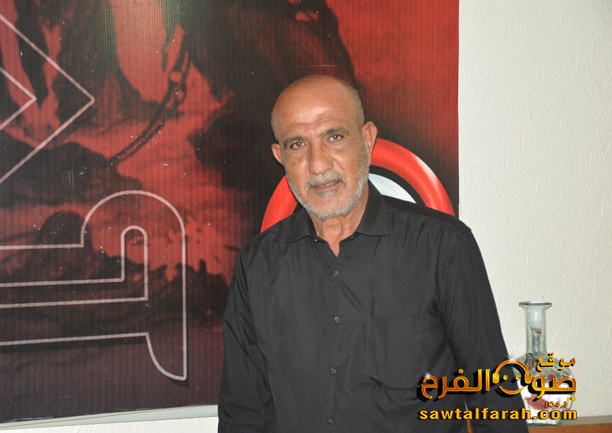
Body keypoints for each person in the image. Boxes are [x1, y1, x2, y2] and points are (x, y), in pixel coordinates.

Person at [218, 75, 528, 432]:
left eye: (334, 137)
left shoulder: (442, 246)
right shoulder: (258, 264)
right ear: (280, 157)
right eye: (298, 144)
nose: (318, 165)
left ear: (367, 139)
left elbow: (494, 396)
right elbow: (243, 411)